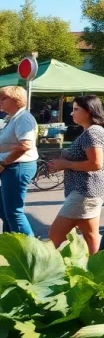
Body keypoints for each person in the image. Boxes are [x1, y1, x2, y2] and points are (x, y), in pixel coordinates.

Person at [47, 95, 104, 254]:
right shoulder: (93, 131)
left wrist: (66, 164)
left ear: (89, 111)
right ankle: (98, 271)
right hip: (90, 191)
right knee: (91, 236)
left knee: (55, 235)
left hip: (84, 192)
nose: (71, 113)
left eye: (76, 109)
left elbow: (96, 163)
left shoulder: (92, 132)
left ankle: (40, 270)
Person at [0, 86, 39, 234]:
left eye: (3, 98)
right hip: (11, 166)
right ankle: (11, 242)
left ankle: (30, 250)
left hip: (18, 166)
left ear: (16, 100)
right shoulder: (10, 117)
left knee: (14, 212)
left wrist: (4, 162)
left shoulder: (23, 118)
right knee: (5, 211)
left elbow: (26, 145)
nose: (0, 101)